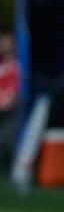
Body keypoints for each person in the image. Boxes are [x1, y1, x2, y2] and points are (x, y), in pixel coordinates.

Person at [0, 28, 20, 173]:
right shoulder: (2, 65)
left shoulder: (18, 64)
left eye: (8, 43)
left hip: (11, 110)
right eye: (3, 43)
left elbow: (17, 88)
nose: (5, 46)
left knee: (7, 140)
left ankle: (9, 169)